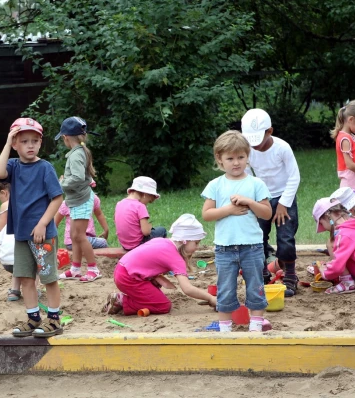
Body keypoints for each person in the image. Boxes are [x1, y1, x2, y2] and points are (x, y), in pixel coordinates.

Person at [0, 117, 64, 338]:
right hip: (22, 234)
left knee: (48, 277)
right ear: (16, 144)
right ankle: (33, 318)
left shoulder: (45, 168)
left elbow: (57, 198)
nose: (30, 145)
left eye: (35, 140)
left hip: (42, 235)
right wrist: (7, 142)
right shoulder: (14, 166)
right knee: (25, 278)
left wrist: (43, 223)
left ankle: (54, 320)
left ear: (40, 143)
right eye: (24, 141)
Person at [201, 130, 272, 332]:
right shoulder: (215, 185)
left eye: (241, 157)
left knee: (255, 286)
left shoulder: (256, 183)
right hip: (224, 248)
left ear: (248, 156)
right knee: (225, 288)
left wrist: (250, 202)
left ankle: (256, 326)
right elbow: (207, 214)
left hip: (252, 246)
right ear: (220, 159)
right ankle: (225, 328)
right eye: (230, 158)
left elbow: (267, 213)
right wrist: (229, 210)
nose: (236, 162)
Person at [102, 214, 216, 316]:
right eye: (196, 243)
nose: (197, 247)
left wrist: (156, 277)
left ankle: (135, 297)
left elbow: (145, 259)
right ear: (185, 240)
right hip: (129, 278)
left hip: (122, 269)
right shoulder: (176, 258)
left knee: (155, 290)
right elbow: (187, 289)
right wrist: (210, 298)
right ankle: (122, 301)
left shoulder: (162, 241)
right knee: (163, 306)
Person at [241, 109, 301, 297]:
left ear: (270, 131)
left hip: (285, 198)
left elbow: (294, 176)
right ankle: (262, 272)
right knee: (258, 238)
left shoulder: (282, 148)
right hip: (262, 199)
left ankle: (290, 275)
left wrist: (283, 203)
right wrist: (255, 199)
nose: (255, 144)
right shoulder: (248, 150)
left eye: (259, 138)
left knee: (286, 239)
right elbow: (247, 174)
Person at [56, 116, 103, 282]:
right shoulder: (79, 152)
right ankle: (75, 268)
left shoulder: (76, 155)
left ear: (65, 137)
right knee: (74, 235)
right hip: (77, 200)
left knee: (80, 236)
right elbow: (83, 176)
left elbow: (76, 178)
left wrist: (61, 184)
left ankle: (93, 268)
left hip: (81, 200)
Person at [114, 176, 167, 251]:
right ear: (145, 194)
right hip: (138, 245)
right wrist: (149, 227)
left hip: (125, 245)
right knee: (162, 230)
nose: (147, 204)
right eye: (149, 200)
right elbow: (146, 232)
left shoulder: (119, 204)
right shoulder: (140, 206)